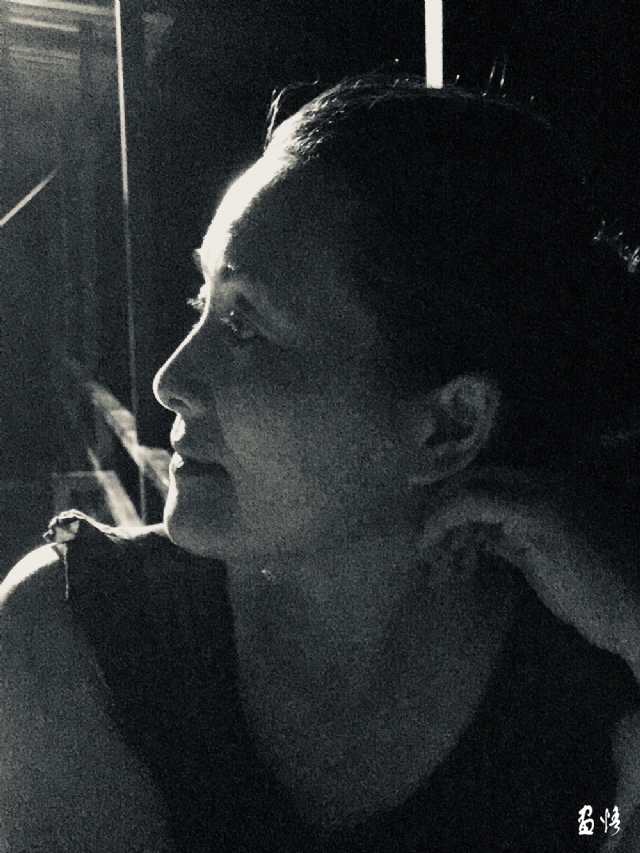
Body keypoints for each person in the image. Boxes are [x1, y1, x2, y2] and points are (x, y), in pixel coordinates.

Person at [2, 75, 640, 852]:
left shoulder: (592, 682)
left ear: (448, 426)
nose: (170, 379)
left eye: (246, 324)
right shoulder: (81, 635)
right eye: (201, 303)